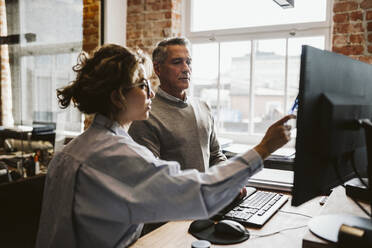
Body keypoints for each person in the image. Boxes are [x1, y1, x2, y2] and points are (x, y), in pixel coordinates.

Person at [36, 44, 294, 248]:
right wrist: (263, 148)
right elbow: (199, 194)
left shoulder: (71, 152)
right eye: (142, 84)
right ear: (117, 97)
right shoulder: (116, 155)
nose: (150, 92)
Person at [129, 37, 226, 172]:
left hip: (209, 192)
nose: (186, 69)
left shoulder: (204, 107)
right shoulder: (145, 116)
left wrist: (229, 179)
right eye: (177, 62)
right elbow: (152, 176)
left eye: (189, 62)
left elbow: (216, 156)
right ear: (157, 68)